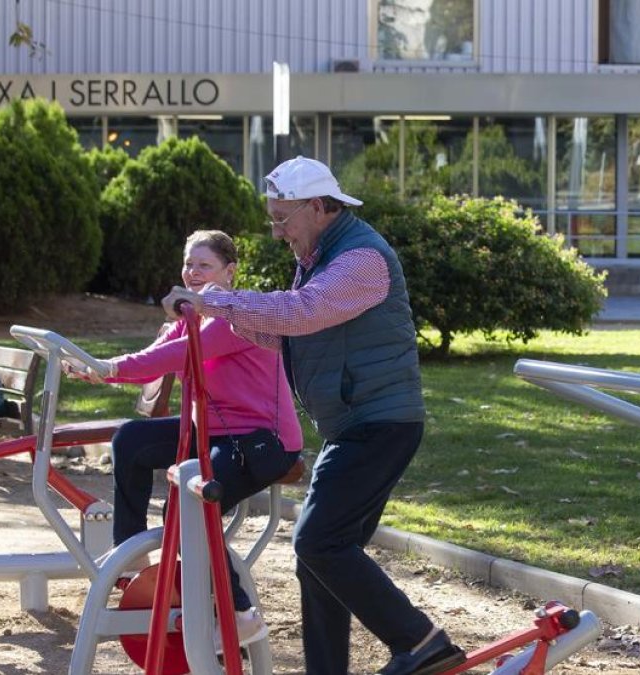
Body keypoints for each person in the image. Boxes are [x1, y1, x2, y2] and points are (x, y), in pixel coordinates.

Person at [163, 157, 466, 675]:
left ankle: (421, 642)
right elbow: (287, 333)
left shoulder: (362, 259)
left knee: (318, 542)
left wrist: (218, 303)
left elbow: (303, 311)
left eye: (282, 219)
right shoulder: (320, 255)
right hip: (353, 425)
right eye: (273, 219)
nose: (277, 232)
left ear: (320, 207)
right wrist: (221, 314)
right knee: (320, 557)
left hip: (381, 423)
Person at [67, 229, 304, 650]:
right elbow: (154, 358)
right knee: (130, 441)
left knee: (189, 505)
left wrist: (111, 367)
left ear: (229, 272)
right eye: (188, 264)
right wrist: (96, 369)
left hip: (259, 441)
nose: (193, 273)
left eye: (204, 265)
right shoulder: (189, 317)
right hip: (212, 432)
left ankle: (241, 613)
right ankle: (131, 556)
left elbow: (176, 356)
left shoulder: (235, 317)